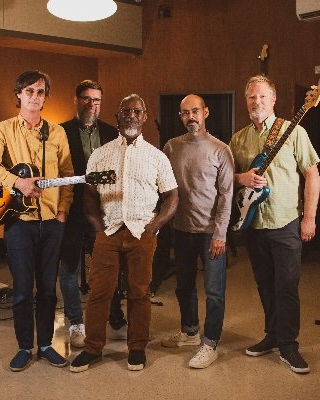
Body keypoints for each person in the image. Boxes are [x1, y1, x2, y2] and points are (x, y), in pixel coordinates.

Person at [70, 94, 179, 372]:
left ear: (144, 117)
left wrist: (153, 227)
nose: (131, 115)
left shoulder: (157, 157)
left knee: (139, 292)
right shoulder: (100, 154)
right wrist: (98, 228)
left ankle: (137, 348)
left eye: (137, 111)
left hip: (142, 233)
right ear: (118, 116)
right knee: (99, 292)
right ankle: (93, 348)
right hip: (108, 231)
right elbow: (89, 196)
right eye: (126, 110)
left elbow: (172, 196)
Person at [0, 70, 74, 372]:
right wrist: (18, 183)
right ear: (18, 94)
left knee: (47, 288)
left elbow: (67, 175)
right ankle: (24, 347)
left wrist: (63, 211)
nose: (35, 96)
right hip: (19, 221)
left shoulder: (57, 133)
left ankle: (45, 345)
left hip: (51, 222)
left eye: (41, 92)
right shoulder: (3, 129)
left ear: (46, 97)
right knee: (22, 289)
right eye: (30, 91)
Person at [229, 75, 320, 374]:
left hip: (286, 222)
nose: (257, 102)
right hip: (254, 225)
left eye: (263, 97)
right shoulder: (239, 139)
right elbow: (226, 177)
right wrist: (241, 178)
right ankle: (271, 334)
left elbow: (312, 175)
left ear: (273, 99)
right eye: (252, 97)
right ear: (246, 102)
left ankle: (289, 344)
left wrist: (309, 217)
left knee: (287, 286)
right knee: (265, 283)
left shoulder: (293, 131)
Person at [161, 94, 235, 369]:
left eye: (195, 111)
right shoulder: (171, 147)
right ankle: (190, 332)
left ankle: (210, 343)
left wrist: (220, 234)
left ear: (206, 112)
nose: (190, 117)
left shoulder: (220, 150)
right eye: (185, 113)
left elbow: (226, 196)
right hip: (181, 231)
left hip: (209, 234)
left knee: (214, 292)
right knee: (184, 287)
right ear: (180, 117)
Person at [59, 80, 127, 348]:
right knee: (69, 269)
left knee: (109, 267)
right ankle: (76, 324)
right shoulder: (60, 132)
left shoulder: (113, 133)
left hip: (103, 212)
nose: (92, 104)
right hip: (72, 211)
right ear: (76, 100)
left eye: (97, 100)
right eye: (87, 99)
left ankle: (115, 319)